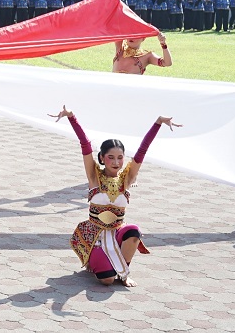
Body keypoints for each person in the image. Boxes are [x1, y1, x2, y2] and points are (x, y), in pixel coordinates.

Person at [52, 106, 180, 286]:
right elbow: (85, 145)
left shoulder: (127, 178)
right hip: (96, 235)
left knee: (134, 231)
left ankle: (124, 271)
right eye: (110, 157)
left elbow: (142, 151)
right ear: (102, 158)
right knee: (106, 280)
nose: (116, 162)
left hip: (117, 232)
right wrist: (72, 117)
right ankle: (100, 261)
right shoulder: (94, 177)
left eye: (120, 157)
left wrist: (158, 123)